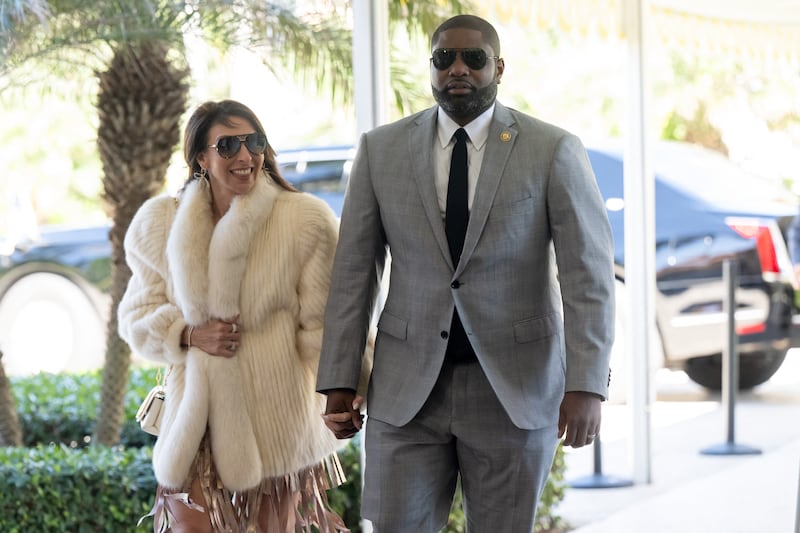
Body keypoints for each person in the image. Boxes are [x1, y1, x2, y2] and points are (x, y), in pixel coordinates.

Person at [316, 14, 615, 532]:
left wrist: (587, 384)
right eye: (444, 58)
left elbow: (588, 277)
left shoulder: (552, 149)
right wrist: (340, 377)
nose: (458, 69)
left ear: (498, 67)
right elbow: (354, 274)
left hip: (514, 388)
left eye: (473, 58)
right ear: (431, 68)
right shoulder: (381, 150)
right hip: (406, 391)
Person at [118, 99, 368, 532]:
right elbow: (137, 315)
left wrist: (350, 388)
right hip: (195, 420)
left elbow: (326, 323)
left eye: (254, 142)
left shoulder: (303, 220)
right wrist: (188, 334)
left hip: (277, 419)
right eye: (228, 145)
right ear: (201, 157)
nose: (245, 154)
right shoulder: (160, 222)